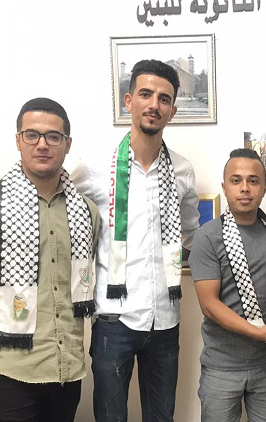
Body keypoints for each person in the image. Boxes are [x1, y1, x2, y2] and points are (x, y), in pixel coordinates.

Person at [0, 98, 101, 422]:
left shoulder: (86, 212)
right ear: (18, 140)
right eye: (32, 135)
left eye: (53, 136)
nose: (42, 144)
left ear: (67, 144)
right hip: (7, 374)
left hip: (66, 372)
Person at [72, 60, 200, 422]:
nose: (154, 104)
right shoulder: (95, 166)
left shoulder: (182, 170)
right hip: (113, 318)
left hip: (166, 318)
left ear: (172, 111)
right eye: (145, 94)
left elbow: (190, 232)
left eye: (164, 99)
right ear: (129, 101)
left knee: (162, 417)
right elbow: (62, 210)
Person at [189, 148, 266, 422]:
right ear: (224, 187)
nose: (245, 188)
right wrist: (259, 333)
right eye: (236, 180)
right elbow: (209, 305)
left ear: (264, 188)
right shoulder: (207, 236)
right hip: (222, 367)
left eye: (253, 180)